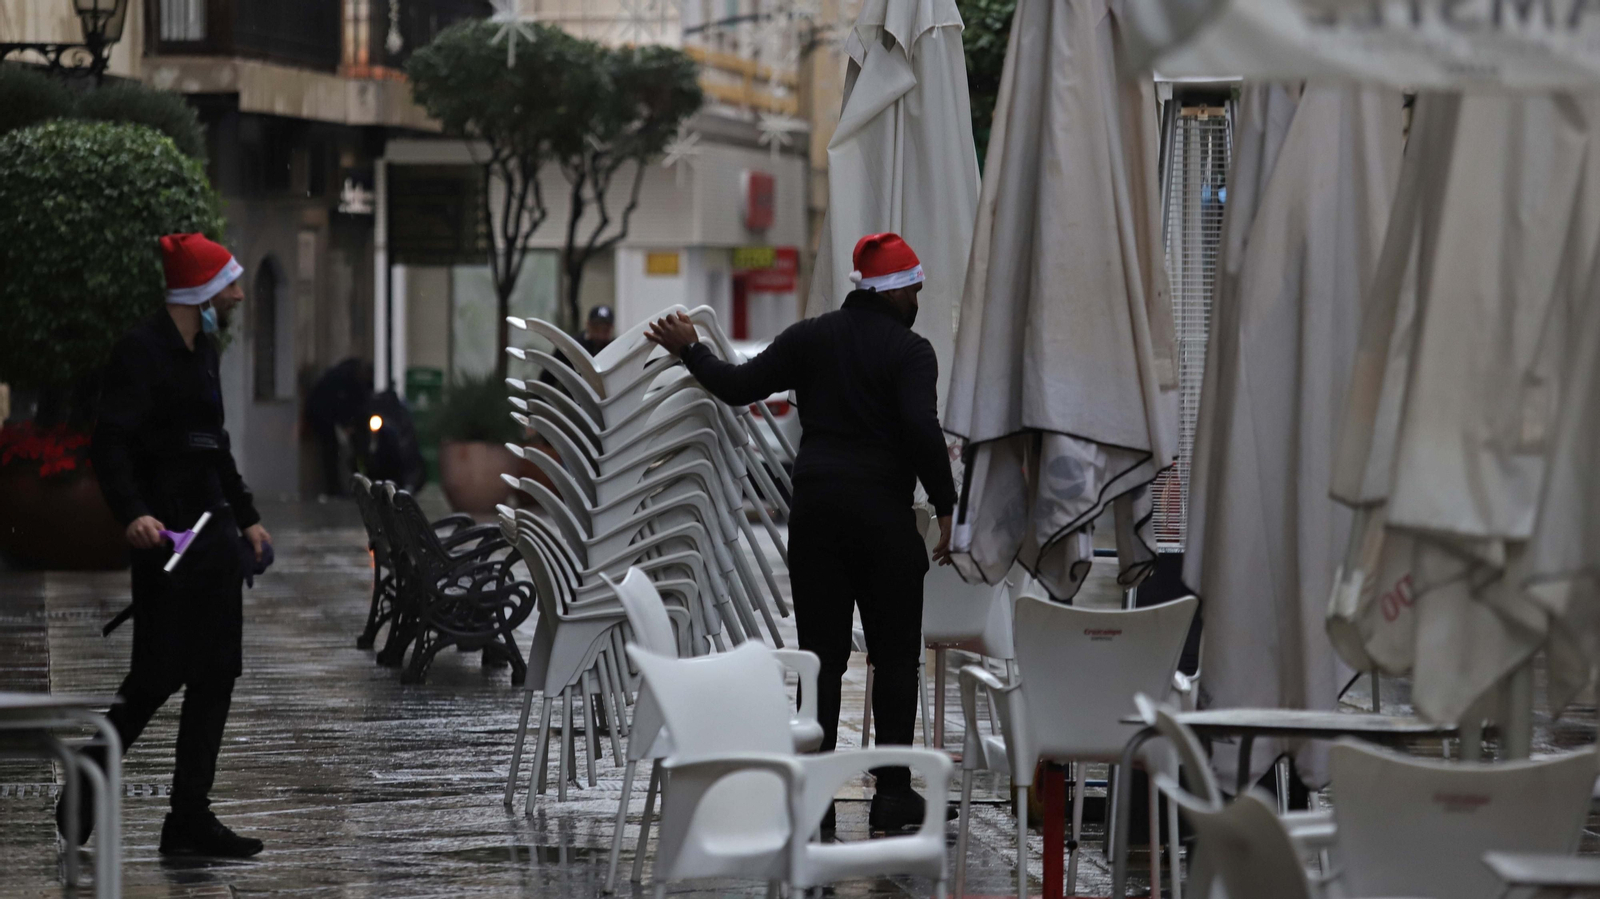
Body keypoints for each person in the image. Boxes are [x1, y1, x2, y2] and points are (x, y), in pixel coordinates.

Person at [645, 233, 956, 834]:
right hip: (884, 520)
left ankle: (813, 801)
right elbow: (920, 428)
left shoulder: (809, 337)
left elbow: (738, 387)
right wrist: (947, 506)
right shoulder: (911, 352)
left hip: (815, 517)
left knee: (823, 659)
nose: (918, 297)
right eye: (914, 287)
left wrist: (692, 350)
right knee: (895, 657)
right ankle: (893, 793)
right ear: (895, 290)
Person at [64, 233, 272, 858]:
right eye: (228, 284)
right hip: (166, 543)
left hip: (214, 545)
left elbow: (216, 444)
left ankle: (188, 819)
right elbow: (111, 443)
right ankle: (84, 780)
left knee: (216, 674)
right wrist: (134, 513)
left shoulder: (203, 349)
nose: (236, 295)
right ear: (200, 290)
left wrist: (247, 517)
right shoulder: (140, 350)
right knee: (155, 675)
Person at [305, 357, 374, 497]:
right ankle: (334, 488)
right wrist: (346, 423)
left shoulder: (350, 380)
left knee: (336, 451)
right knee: (330, 450)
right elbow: (338, 404)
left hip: (327, 413)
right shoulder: (344, 379)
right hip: (323, 415)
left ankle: (343, 485)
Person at [538, 305, 616, 392]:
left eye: (605, 329)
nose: (600, 334)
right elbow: (549, 374)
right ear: (588, 325)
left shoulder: (616, 349)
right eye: (597, 328)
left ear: (612, 328)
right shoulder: (571, 346)